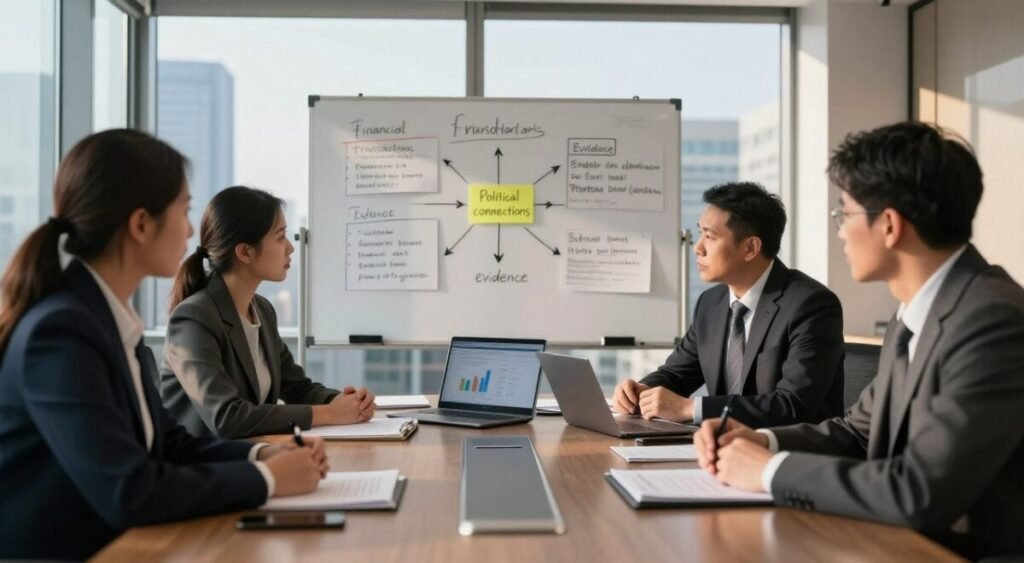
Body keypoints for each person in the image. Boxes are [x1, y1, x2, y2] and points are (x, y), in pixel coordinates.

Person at [695, 122, 1024, 559]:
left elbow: (919, 491)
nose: (840, 232)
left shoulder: (992, 321)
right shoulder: (915, 313)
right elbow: (856, 431)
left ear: (889, 225)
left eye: (844, 214)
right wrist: (764, 442)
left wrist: (770, 470)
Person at [0, 130, 328, 560]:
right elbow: (130, 490)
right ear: (140, 224)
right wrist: (267, 479)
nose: (191, 230)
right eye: (184, 210)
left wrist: (265, 452)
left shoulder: (108, 322)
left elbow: (172, 445)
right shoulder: (60, 334)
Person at [613, 182, 845, 427]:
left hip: (787, 454)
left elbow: (792, 405)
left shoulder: (811, 305)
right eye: (699, 233)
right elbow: (676, 374)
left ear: (750, 248)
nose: (698, 248)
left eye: (710, 237)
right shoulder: (710, 303)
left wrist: (690, 408)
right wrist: (641, 391)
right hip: (719, 450)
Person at [160, 186, 375, 439]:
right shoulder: (194, 319)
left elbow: (297, 388)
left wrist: (346, 402)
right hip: (203, 468)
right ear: (245, 252)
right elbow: (226, 417)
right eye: (280, 236)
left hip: (252, 456)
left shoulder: (261, 309)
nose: (290, 248)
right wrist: (329, 414)